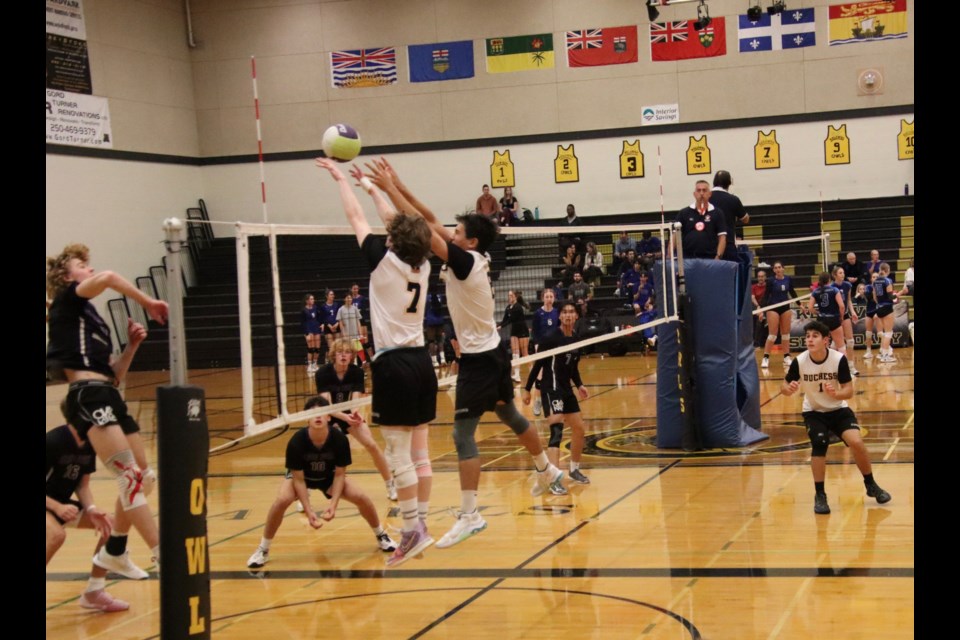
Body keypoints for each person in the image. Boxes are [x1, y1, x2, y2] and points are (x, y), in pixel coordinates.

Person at [364, 158, 568, 551]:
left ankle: (470, 514)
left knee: (461, 435)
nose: (450, 234)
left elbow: (423, 226)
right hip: (492, 351)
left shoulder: (464, 260)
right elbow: (428, 219)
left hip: (478, 358)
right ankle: (547, 469)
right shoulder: (470, 256)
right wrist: (395, 185)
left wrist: (387, 189)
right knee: (509, 413)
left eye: (456, 232)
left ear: (470, 241)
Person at [315, 158, 436, 568]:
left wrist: (342, 182)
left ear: (392, 240)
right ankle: (421, 524)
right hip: (422, 362)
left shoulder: (383, 261)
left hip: (394, 366)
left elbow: (356, 218)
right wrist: (371, 187)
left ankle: (411, 530)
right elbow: (400, 224)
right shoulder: (424, 264)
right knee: (419, 452)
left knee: (399, 453)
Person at [46, 243, 167, 571]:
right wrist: (148, 302)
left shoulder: (90, 321)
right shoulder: (68, 299)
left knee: (144, 475)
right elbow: (110, 277)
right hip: (87, 396)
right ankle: (161, 550)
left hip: (106, 393)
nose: (89, 269)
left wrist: (132, 346)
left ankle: (115, 549)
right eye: (82, 266)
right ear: (66, 276)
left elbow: (112, 376)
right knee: (128, 476)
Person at [246, 396, 398, 568]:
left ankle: (381, 535)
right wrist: (309, 511)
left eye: (322, 413)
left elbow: (340, 475)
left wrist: (333, 505)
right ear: (306, 418)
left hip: (329, 477)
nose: (318, 417)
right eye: (313, 413)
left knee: (362, 497)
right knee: (281, 501)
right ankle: (263, 549)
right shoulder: (296, 442)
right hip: (303, 478)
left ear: (329, 417)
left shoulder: (339, 440)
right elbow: (299, 480)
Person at [781, 321, 892, 514]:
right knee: (819, 443)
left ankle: (871, 484)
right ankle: (820, 495)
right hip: (814, 412)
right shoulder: (799, 361)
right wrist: (788, 389)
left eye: (814, 336)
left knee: (856, 442)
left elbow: (849, 391)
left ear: (826, 340)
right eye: (807, 336)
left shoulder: (838, 359)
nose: (809, 339)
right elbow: (784, 386)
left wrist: (836, 394)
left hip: (838, 409)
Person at [47, 407, 129, 612]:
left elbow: (82, 485)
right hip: (51, 504)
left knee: (110, 526)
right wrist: (57, 507)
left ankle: (94, 593)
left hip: (60, 504)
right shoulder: (53, 441)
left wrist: (91, 508)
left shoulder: (90, 444)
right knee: (56, 535)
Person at [314, 338, 396, 501]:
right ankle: (306, 493)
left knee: (372, 445)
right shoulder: (322, 373)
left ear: (352, 356)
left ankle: (390, 485)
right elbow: (326, 404)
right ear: (333, 355)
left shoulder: (357, 372)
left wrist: (355, 413)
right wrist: (344, 416)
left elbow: (356, 399)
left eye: (347, 352)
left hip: (348, 414)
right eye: (340, 352)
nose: (343, 356)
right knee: (317, 452)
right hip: (327, 415)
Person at [522, 301, 590, 484]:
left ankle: (574, 469)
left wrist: (580, 385)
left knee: (579, 428)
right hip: (551, 388)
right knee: (557, 430)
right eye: (565, 312)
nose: (568, 315)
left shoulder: (576, 338)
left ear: (576, 316)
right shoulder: (551, 338)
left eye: (571, 312)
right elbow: (538, 364)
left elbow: (572, 366)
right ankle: (553, 479)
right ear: (559, 316)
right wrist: (527, 389)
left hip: (566, 389)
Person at [669, 180, 728, 260]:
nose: (701, 193)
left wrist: (717, 258)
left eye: (704, 190)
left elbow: (722, 237)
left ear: (710, 194)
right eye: (698, 190)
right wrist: (669, 257)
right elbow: (675, 236)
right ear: (694, 194)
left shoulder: (717, 213)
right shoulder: (684, 213)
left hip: (710, 259)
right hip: (687, 259)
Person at [760, 261, 798, 370]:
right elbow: (766, 295)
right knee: (773, 334)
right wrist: (762, 309)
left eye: (779, 267)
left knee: (786, 334)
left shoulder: (788, 279)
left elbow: (792, 292)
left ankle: (786, 357)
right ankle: (766, 358)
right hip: (773, 307)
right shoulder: (771, 281)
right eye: (775, 268)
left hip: (785, 307)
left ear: (783, 268)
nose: (777, 269)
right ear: (773, 270)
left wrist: (800, 305)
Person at [530, 287, 560, 416]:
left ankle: (555, 402)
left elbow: (559, 329)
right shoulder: (538, 313)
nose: (549, 299)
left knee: (555, 375)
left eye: (551, 297)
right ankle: (537, 402)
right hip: (541, 347)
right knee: (540, 376)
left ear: (554, 298)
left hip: (554, 347)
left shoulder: (557, 312)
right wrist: (537, 346)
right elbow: (535, 332)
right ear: (543, 298)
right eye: (546, 297)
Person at [807, 272, 847, 366]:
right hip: (833, 319)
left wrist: (818, 313)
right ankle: (845, 369)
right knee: (841, 346)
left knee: (823, 345)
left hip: (821, 321)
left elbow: (810, 308)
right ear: (829, 280)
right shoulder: (834, 290)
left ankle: (823, 366)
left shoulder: (816, 291)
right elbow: (841, 306)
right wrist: (841, 317)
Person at [709, 170, 750, 262]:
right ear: (729, 183)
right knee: (729, 275)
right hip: (728, 245)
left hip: (708, 245)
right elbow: (745, 219)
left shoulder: (706, 198)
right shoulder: (733, 199)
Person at [832, 266, 860, 375]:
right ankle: (835, 366)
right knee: (836, 343)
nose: (842, 274)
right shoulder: (832, 287)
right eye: (840, 273)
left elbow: (848, 300)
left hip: (845, 315)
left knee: (850, 341)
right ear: (835, 275)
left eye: (843, 272)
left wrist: (853, 312)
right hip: (835, 316)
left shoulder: (847, 285)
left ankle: (851, 366)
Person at [499, 289, 530, 383]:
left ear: (515, 297)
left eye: (511, 295)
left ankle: (533, 372)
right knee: (515, 353)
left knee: (524, 353)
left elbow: (510, 320)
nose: (509, 297)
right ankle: (517, 375)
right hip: (514, 331)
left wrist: (501, 326)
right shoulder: (508, 307)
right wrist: (497, 326)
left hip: (523, 331)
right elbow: (505, 320)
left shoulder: (518, 307)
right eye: (509, 295)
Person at [872, 262, 897, 363]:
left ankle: (882, 352)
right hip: (887, 307)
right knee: (888, 333)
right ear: (887, 270)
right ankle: (885, 356)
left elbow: (874, 296)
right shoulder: (888, 280)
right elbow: (891, 296)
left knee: (884, 332)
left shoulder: (875, 281)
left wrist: (879, 304)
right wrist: (899, 294)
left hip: (879, 307)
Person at [301, 294, 324, 373]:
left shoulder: (316, 308)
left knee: (317, 348)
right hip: (309, 329)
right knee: (311, 348)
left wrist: (322, 324)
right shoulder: (304, 310)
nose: (313, 300)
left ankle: (315, 363)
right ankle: (309, 365)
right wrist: (306, 334)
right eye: (311, 299)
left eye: (313, 299)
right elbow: (302, 323)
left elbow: (319, 318)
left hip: (316, 328)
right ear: (307, 301)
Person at [320, 289, 341, 355]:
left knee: (337, 345)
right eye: (331, 294)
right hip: (328, 327)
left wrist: (337, 323)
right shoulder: (323, 306)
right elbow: (323, 318)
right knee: (331, 346)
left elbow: (339, 315)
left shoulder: (337, 305)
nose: (333, 296)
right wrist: (329, 325)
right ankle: (331, 362)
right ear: (327, 296)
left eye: (333, 294)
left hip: (336, 326)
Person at [751, 269, 769, 347]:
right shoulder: (753, 287)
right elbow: (752, 297)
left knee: (760, 319)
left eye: (762, 276)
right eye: (759, 276)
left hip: (767, 308)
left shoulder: (768, 286)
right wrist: (758, 307)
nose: (760, 278)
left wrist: (762, 310)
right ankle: (756, 344)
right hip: (756, 308)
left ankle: (760, 343)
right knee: (758, 319)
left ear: (765, 277)